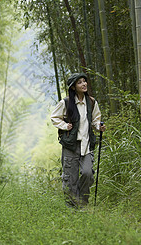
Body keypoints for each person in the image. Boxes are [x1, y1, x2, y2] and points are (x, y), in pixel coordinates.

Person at [50, 73, 106, 207]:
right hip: (71, 145)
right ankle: (72, 208)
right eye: (80, 82)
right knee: (71, 179)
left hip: (86, 145)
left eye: (84, 81)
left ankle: (82, 203)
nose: (84, 84)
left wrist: (99, 127)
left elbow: (95, 120)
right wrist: (65, 126)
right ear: (74, 87)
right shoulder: (66, 102)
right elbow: (54, 117)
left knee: (88, 174)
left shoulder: (91, 102)